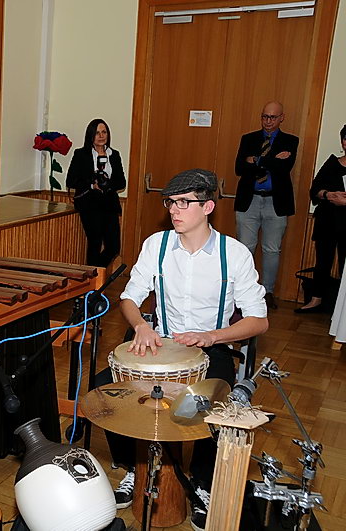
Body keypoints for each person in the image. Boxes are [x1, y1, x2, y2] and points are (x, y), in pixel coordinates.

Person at [97, 169, 268, 531]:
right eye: (171, 202)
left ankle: (203, 482)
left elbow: (258, 320)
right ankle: (134, 468)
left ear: (207, 207)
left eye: (184, 202)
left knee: (209, 402)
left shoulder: (234, 254)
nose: (174, 210)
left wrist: (212, 336)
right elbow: (129, 298)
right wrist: (141, 326)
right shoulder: (156, 245)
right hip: (160, 342)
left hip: (212, 348)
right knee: (104, 390)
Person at [234, 101, 299, 309]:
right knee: (245, 248)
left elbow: (284, 168)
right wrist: (272, 159)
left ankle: (267, 291)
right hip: (249, 200)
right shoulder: (249, 139)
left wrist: (256, 159)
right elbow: (239, 168)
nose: (268, 121)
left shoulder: (290, 141)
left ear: (281, 118)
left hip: (275, 202)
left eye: (272, 117)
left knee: (272, 249)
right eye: (264, 117)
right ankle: (242, 291)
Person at [296, 125, 346, 313]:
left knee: (344, 266)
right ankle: (316, 299)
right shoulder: (332, 163)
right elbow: (314, 189)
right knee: (322, 262)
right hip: (327, 221)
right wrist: (328, 195)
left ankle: (341, 308)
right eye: (345, 139)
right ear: (342, 141)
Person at [66, 119, 126, 268]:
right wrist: (92, 184)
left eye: (104, 132)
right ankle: (94, 279)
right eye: (97, 133)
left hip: (109, 204)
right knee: (95, 243)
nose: (101, 136)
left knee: (113, 247)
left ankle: (95, 273)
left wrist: (108, 184)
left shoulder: (114, 154)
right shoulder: (81, 154)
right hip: (89, 204)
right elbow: (71, 180)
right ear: (90, 135)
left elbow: (121, 182)